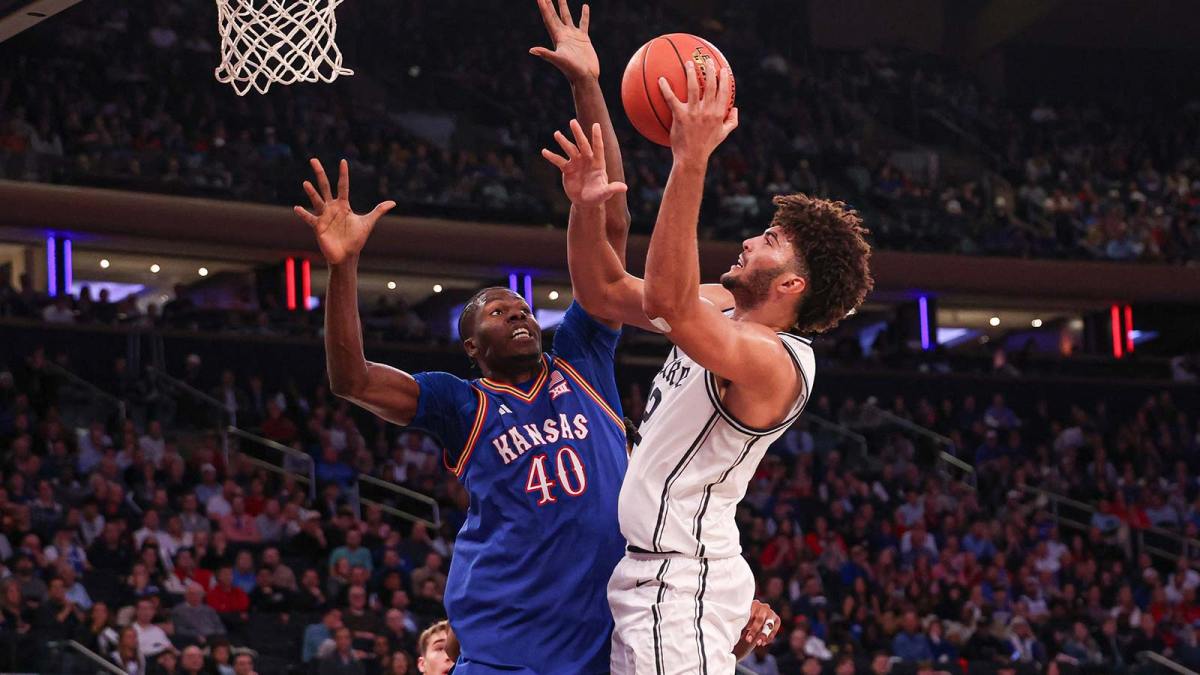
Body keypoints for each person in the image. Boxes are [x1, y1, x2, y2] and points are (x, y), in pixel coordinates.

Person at [292, 3, 781, 673]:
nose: (518, 313)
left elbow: (610, 222)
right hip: (503, 648)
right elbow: (353, 380)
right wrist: (343, 268)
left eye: (522, 305)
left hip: (599, 646)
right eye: (496, 311)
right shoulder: (461, 403)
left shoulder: (580, 355)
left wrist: (587, 83)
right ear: (471, 345)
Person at [541, 54, 870, 671]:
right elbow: (604, 291)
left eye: (769, 242)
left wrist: (689, 160)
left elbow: (666, 296)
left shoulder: (775, 363)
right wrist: (587, 205)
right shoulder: (722, 307)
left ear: (792, 285)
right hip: (657, 576)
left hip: (680, 584)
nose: (749, 240)